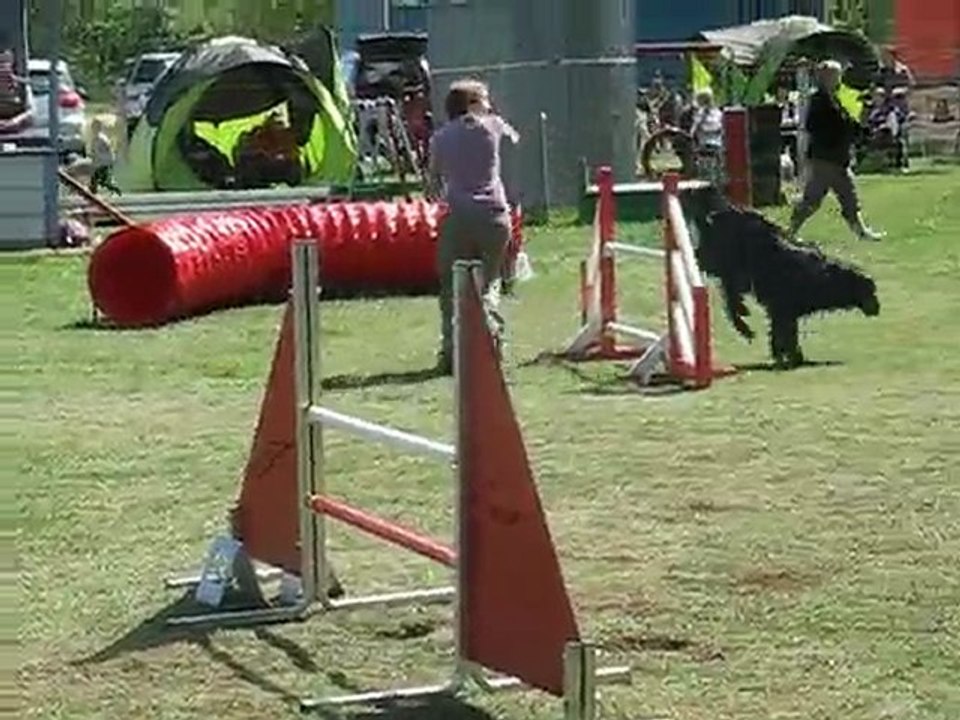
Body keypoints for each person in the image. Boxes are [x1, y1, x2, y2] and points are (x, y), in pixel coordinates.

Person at [427, 79, 519, 374]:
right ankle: (491, 342)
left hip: (458, 216)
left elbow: (433, 182)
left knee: (452, 287)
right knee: (489, 283)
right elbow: (514, 137)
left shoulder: (440, 138)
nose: (490, 104)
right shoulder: (492, 127)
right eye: (485, 99)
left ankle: (451, 352)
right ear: (472, 104)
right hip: (494, 217)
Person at [789, 60, 884, 242]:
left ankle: (860, 231)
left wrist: (860, 128)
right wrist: (851, 131)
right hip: (826, 158)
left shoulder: (832, 98)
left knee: (845, 195)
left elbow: (845, 123)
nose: (838, 79)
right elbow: (821, 126)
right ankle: (791, 231)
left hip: (835, 157)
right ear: (826, 77)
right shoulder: (820, 100)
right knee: (816, 198)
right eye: (835, 75)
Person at [690, 88, 724, 183]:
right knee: (716, 170)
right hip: (717, 145)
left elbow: (693, 131)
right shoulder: (718, 113)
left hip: (704, 146)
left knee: (704, 171)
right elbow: (721, 128)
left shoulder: (700, 114)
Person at [89, 118, 122, 195]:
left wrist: (97, 155)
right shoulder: (97, 138)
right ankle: (93, 193)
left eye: (94, 127)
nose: (92, 128)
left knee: (101, 180)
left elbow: (107, 150)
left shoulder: (101, 138)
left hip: (104, 162)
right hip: (101, 162)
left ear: (98, 128)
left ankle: (115, 190)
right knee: (96, 179)